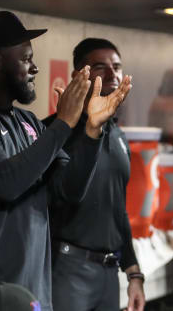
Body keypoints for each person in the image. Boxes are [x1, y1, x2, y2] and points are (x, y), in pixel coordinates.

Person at [0, 11, 131, 311]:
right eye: (26, 59)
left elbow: (69, 191)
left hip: (31, 292)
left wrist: (92, 130)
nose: (35, 67)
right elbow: (4, 182)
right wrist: (63, 123)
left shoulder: (29, 123)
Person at [44, 38, 144, 311]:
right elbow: (68, 193)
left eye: (117, 67)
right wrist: (90, 130)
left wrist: (133, 272)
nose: (112, 75)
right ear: (80, 76)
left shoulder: (117, 134)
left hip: (109, 272)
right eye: (100, 67)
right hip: (67, 270)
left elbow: (117, 208)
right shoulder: (55, 132)